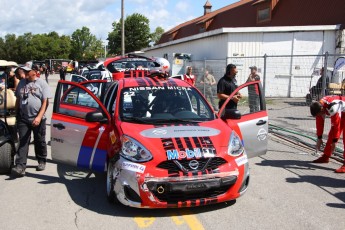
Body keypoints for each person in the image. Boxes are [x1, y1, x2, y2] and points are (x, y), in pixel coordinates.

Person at [11, 64, 52, 177]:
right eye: (23, 70)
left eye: (27, 71)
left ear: (34, 72)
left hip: (38, 118)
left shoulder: (42, 84)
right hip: (23, 118)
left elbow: (45, 102)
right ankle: (20, 166)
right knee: (23, 142)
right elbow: (18, 99)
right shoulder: (21, 83)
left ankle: (42, 160)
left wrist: (39, 117)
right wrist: (16, 113)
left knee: (39, 140)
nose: (24, 72)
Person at [310, 95, 345, 173]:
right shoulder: (319, 105)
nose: (319, 116)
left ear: (322, 109)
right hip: (342, 113)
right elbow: (319, 122)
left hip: (342, 112)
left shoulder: (333, 107)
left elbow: (336, 124)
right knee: (331, 135)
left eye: (319, 114)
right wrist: (319, 138)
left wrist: (335, 141)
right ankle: (326, 156)